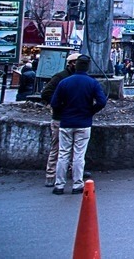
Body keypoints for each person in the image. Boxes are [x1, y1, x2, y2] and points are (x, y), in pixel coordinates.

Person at [49, 55, 107, 195]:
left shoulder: (65, 82)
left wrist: (63, 111)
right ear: (87, 67)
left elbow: (54, 103)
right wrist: (90, 111)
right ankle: (77, 184)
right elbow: (101, 101)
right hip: (83, 122)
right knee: (79, 155)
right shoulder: (92, 83)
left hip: (66, 122)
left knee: (63, 154)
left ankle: (59, 185)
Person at [40, 53, 79, 187]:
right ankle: (50, 175)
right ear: (71, 63)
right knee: (57, 147)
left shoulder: (76, 77)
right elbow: (46, 93)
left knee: (74, 148)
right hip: (60, 117)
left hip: (73, 117)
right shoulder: (60, 77)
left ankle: (72, 170)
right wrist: (59, 105)